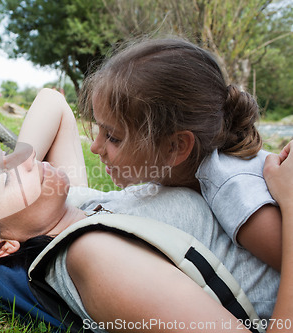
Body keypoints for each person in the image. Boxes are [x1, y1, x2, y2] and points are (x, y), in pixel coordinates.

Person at [0, 89, 287, 332]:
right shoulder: (94, 259)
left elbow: (53, 103)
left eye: (6, 153)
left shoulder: (71, 207)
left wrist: (14, 171)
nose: (26, 156)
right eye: (7, 176)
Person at [79, 37, 282, 271]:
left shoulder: (233, 187)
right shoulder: (182, 171)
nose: (95, 147)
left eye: (113, 137)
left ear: (175, 147)